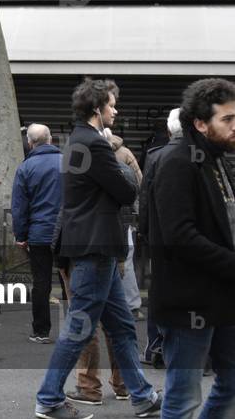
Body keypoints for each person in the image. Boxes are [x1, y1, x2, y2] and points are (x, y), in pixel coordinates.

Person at [34, 78, 160, 419]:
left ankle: (143, 396)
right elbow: (128, 190)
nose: (116, 109)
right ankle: (48, 399)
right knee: (79, 329)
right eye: (111, 105)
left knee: (121, 326)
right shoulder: (94, 144)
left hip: (90, 246)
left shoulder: (75, 140)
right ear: (96, 109)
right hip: (95, 247)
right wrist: (117, 158)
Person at [149, 79, 235, 418]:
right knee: (183, 398)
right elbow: (179, 235)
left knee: (231, 383)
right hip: (188, 302)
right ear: (200, 123)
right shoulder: (178, 162)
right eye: (227, 120)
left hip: (223, 297)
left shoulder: (214, 159)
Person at [11, 124, 63, 344]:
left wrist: (21, 235)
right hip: (66, 231)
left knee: (41, 282)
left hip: (39, 232)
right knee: (70, 281)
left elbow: (20, 207)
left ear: (30, 143)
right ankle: (75, 330)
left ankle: (41, 331)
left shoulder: (26, 168)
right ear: (50, 139)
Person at [138, 107, 182, 368]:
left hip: (160, 237)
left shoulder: (155, 156)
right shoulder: (201, 155)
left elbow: (145, 198)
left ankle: (156, 344)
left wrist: (145, 230)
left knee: (160, 289)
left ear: (167, 130)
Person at [104, 128, 144, 320]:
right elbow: (139, 182)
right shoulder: (125, 153)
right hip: (124, 215)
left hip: (100, 216)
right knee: (126, 259)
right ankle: (132, 304)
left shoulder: (90, 155)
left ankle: (107, 303)